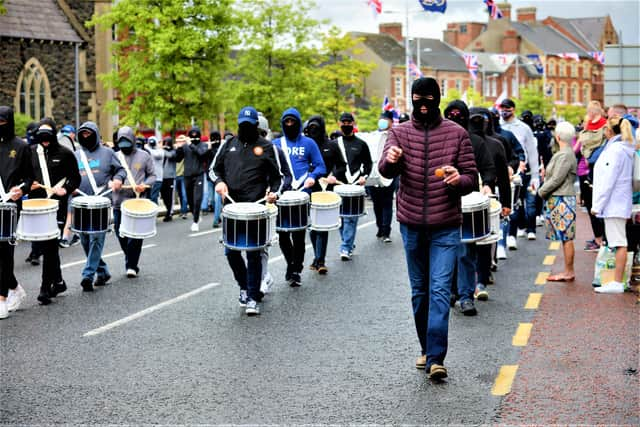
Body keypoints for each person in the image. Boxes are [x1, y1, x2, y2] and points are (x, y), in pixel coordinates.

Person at [379, 78, 478, 380]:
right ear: (411, 99)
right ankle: (425, 347)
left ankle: (436, 358)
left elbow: (471, 178)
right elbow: (384, 170)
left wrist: (456, 178)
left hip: (445, 226)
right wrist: (391, 159)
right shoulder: (398, 132)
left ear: (438, 99)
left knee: (438, 291)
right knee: (419, 292)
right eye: (417, 99)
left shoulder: (456, 133)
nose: (423, 105)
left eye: (429, 99)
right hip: (410, 225)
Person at [211, 106, 283, 315]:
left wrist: (274, 192)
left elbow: (278, 176)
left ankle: (252, 297)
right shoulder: (228, 144)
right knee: (230, 251)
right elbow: (214, 169)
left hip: (256, 207)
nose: (245, 128)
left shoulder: (266, 147)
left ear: (255, 126)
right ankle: (243, 286)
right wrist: (219, 182)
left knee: (253, 252)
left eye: (249, 125)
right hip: (232, 207)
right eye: (242, 124)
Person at [444, 101, 495, 316]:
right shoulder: (440, 140)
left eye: (459, 115)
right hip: (442, 202)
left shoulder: (475, 142)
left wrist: (486, 184)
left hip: (467, 203)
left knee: (465, 251)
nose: (455, 117)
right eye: (451, 114)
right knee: (446, 251)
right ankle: (451, 291)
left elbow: (488, 168)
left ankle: (465, 296)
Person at [28, 118, 81, 304]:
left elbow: (75, 178)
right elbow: (24, 177)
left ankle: (44, 288)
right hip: (37, 207)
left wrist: (65, 189)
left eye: (48, 136)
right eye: (41, 137)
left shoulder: (65, 153)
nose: (45, 140)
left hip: (57, 206)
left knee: (50, 246)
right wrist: (29, 185)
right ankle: (58, 282)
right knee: (47, 247)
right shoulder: (31, 152)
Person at [273, 108, 326, 287]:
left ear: (298, 122)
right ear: (282, 123)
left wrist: (312, 177)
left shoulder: (309, 143)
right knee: (282, 233)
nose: (290, 125)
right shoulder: (276, 144)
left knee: (298, 233)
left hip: (303, 193)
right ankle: (291, 263)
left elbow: (320, 166)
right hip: (282, 194)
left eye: (293, 122)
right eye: (286, 122)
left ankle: (296, 269)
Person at [74, 121, 125, 291]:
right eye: (83, 134)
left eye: (89, 134)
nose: (86, 137)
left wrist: (118, 179)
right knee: (85, 239)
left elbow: (121, 170)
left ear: (95, 134)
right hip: (81, 203)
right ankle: (102, 271)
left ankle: (87, 275)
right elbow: (69, 175)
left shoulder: (108, 153)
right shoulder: (76, 155)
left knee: (96, 237)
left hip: (101, 202)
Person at [592, 117, 635, 293]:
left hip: (613, 203)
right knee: (619, 241)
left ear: (609, 131)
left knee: (619, 242)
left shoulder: (615, 151)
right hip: (619, 201)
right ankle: (616, 281)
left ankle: (617, 282)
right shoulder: (623, 149)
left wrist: (598, 205)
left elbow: (607, 181)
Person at [0, 106, 34, 318]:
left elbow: (30, 179)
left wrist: (20, 190)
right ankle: (15, 288)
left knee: (5, 250)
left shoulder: (21, 147)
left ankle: (2, 298)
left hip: (10, 206)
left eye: (3, 122)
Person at [112, 126, 156, 278]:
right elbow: (108, 176)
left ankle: (131, 265)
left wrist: (145, 185)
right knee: (120, 233)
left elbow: (152, 175)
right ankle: (129, 257)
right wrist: (112, 183)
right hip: (119, 201)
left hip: (137, 201)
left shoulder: (144, 156)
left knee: (136, 236)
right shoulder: (114, 156)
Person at [305, 114, 346, 274]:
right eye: (311, 127)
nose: (314, 130)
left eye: (317, 127)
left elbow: (342, 165)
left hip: (326, 190)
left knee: (322, 225)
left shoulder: (331, 145)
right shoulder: (306, 145)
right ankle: (317, 256)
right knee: (312, 226)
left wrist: (333, 175)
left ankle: (320, 259)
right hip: (309, 187)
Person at [538, 121, 577, 282]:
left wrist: (541, 191)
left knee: (566, 237)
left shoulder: (564, 155)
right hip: (562, 197)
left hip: (562, 198)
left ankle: (569, 271)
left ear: (558, 136)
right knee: (565, 237)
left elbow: (556, 179)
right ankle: (568, 270)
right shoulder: (565, 153)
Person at [500, 98, 539, 246]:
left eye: (507, 108)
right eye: (502, 107)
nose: (504, 110)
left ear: (513, 109)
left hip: (519, 171)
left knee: (516, 202)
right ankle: (507, 235)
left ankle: (513, 234)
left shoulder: (523, 128)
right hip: (501, 171)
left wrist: (535, 175)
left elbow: (532, 152)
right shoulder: (497, 126)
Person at [335, 112, 372, 260]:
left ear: (353, 123)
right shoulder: (335, 144)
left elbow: (368, 164)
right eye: (343, 122)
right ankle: (348, 242)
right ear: (339, 124)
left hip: (355, 186)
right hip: (338, 185)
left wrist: (364, 176)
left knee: (351, 218)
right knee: (339, 219)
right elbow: (329, 163)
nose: (346, 125)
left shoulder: (361, 144)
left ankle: (345, 247)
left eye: (348, 122)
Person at [577, 101, 607, 251]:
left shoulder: (596, 127)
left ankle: (600, 239)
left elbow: (580, 148)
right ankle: (600, 238)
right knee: (595, 206)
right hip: (592, 170)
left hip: (591, 170)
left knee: (593, 206)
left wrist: (588, 158)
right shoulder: (603, 126)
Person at [366, 110, 398, 243]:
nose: (382, 121)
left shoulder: (396, 135)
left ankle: (386, 231)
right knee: (376, 203)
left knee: (386, 202)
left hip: (390, 173)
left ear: (391, 122)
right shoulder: (374, 136)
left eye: (385, 119)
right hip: (374, 173)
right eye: (381, 118)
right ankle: (380, 227)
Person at [176, 126, 210, 232]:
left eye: (196, 135)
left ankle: (195, 222)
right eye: (192, 135)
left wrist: (191, 144)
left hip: (199, 175)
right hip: (187, 176)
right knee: (190, 199)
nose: (194, 137)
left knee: (197, 199)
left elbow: (201, 154)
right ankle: (196, 215)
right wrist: (179, 148)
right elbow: (178, 159)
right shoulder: (185, 146)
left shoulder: (203, 145)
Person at [160, 136, 178, 222]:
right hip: (161, 177)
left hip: (170, 177)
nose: (166, 145)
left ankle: (169, 213)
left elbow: (170, 155)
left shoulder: (173, 151)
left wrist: (162, 149)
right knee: (164, 196)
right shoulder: (161, 152)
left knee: (169, 196)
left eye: (167, 143)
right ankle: (167, 209)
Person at [147, 137, 164, 204]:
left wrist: (147, 148)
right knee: (149, 197)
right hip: (149, 178)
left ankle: (154, 213)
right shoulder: (147, 151)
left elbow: (156, 155)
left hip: (158, 178)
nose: (152, 144)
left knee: (153, 197)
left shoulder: (160, 151)